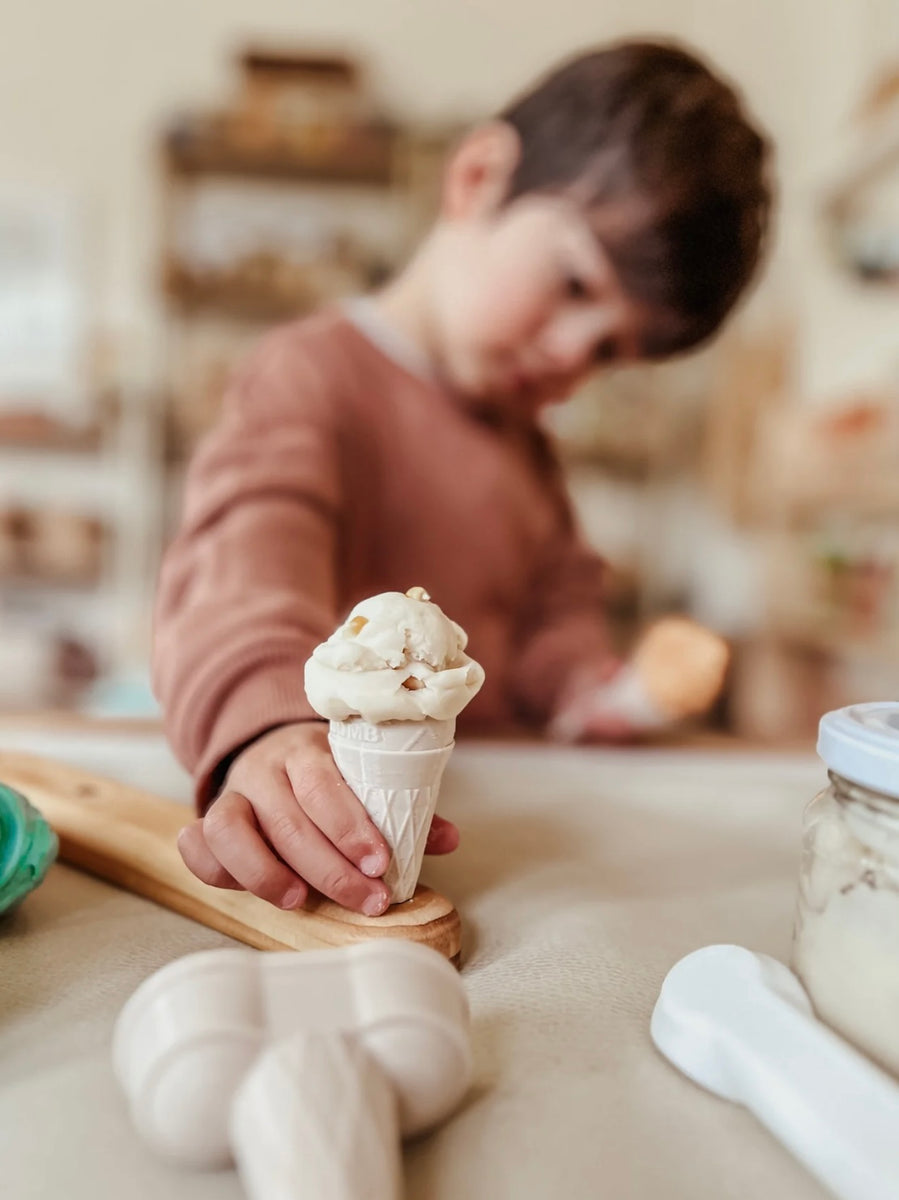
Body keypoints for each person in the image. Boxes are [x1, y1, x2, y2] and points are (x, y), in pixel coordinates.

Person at [154, 40, 772, 917]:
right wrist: (266, 727)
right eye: (572, 284)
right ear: (478, 176)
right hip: (322, 836)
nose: (569, 354)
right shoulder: (307, 377)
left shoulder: (530, 454)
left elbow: (556, 609)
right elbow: (242, 569)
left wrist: (584, 686)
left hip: (492, 852)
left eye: (608, 352)